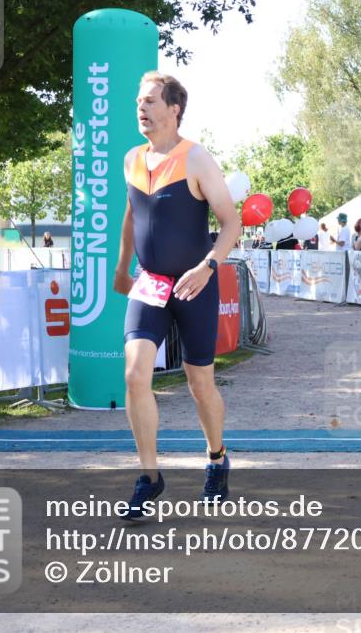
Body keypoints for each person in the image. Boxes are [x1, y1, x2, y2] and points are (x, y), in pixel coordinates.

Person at [113, 71, 241, 517]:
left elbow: (232, 223)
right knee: (134, 375)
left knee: (199, 383)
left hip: (194, 282)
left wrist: (208, 267)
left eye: (150, 101)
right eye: (138, 102)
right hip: (150, 282)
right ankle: (149, 477)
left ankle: (216, 458)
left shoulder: (197, 159)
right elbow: (132, 215)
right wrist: (121, 266)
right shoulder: (132, 159)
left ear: (174, 109)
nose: (141, 109)